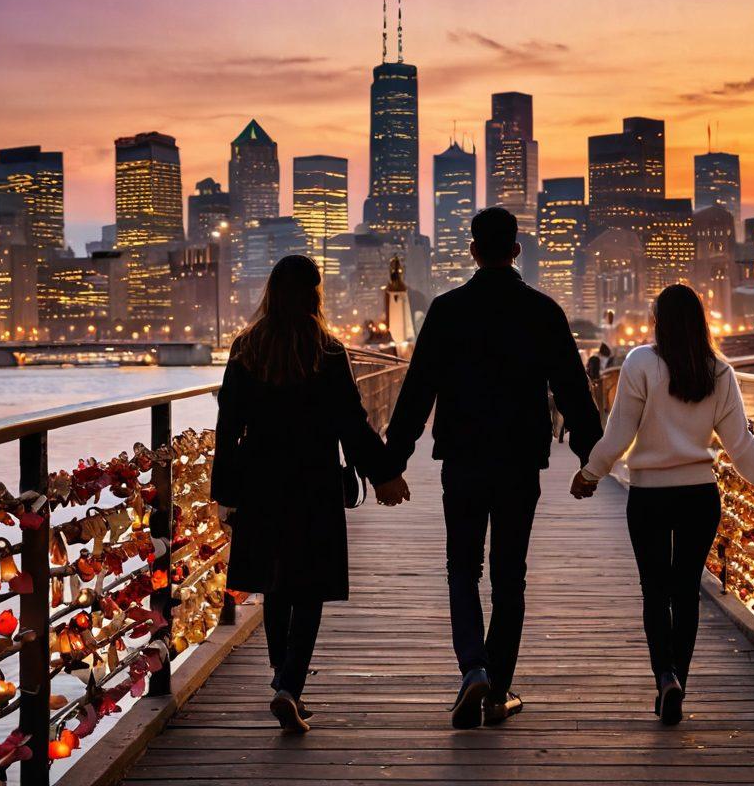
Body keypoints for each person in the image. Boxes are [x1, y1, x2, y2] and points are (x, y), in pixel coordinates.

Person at [377, 207, 603, 729]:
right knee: (509, 573)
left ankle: (473, 668)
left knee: (462, 567)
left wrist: (392, 463)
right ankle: (498, 689)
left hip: (463, 458)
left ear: (474, 252)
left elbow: (417, 392)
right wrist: (592, 461)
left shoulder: (447, 310)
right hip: (520, 460)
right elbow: (574, 391)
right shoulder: (543, 311)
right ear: (516, 250)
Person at [570, 284, 754, 726]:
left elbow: (620, 432)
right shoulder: (719, 371)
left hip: (649, 496)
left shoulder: (640, 363)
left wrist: (591, 472)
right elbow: (740, 444)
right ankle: (680, 683)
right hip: (699, 496)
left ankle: (665, 677)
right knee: (686, 590)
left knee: (655, 591)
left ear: (658, 322)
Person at [211, 255, 409, 734]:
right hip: (313, 481)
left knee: (275, 583)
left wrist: (225, 492)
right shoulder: (328, 351)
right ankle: (290, 685)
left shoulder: (246, 349)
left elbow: (227, 427)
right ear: (315, 295)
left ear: (271, 292)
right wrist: (385, 474)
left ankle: (283, 674)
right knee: (310, 585)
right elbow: (352, 424)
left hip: (260, 482)